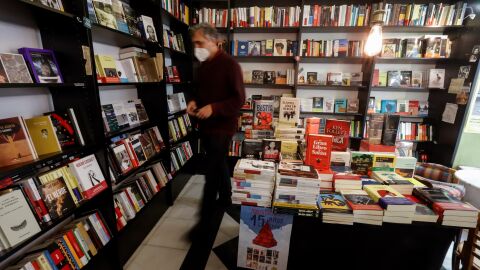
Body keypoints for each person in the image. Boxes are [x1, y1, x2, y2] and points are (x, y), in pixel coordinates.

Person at [187, 23, 245, 238]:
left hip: (223, 127)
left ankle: (204, 226)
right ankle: (227, 197)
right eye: (194, 44)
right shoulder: (203, 66)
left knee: (210, 175)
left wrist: (214, 108)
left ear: (214, 41)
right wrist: (194, 102)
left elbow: (239, 99)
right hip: (207, 126)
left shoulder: (230, 65)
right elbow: (199, 91)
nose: (197, 47)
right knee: (218, 162)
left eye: (200, 42)